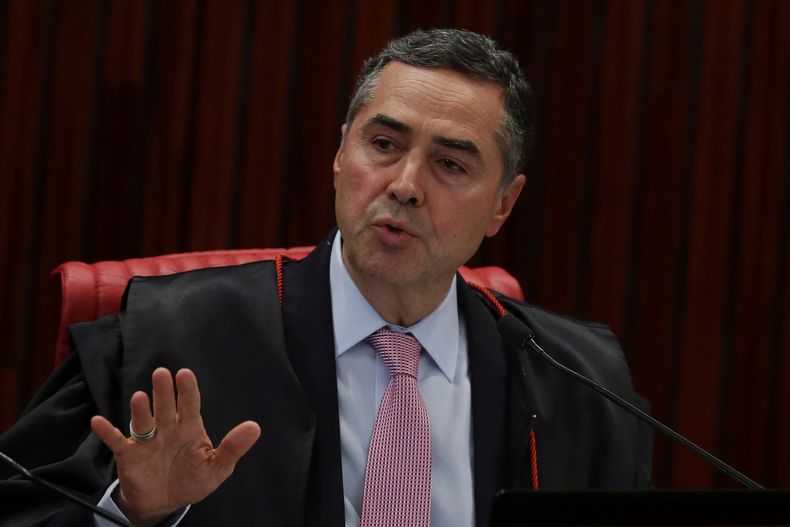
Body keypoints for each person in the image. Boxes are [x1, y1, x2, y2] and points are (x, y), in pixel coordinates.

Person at [0, 28, 652, 527]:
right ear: (341, 155)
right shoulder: (164, 345)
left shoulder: (582, 385)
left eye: (451, 164)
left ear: (502, 204)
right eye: (384, 144)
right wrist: (133, 512)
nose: (403, 185)